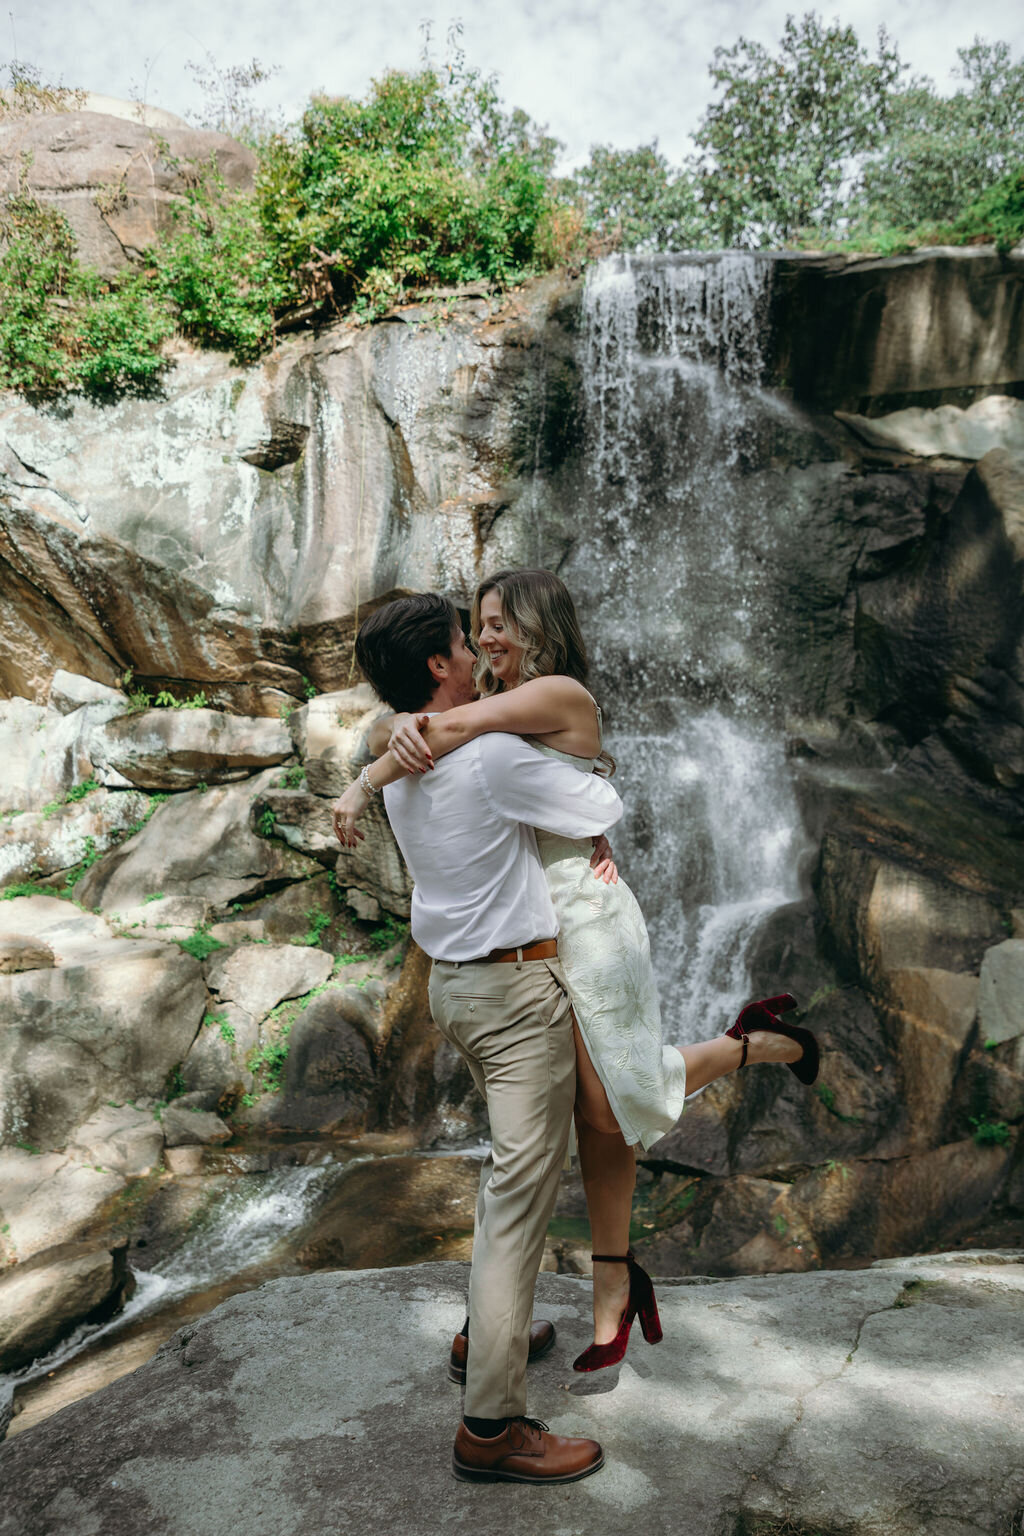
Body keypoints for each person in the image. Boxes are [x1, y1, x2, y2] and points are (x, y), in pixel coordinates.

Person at [334, 569, 818, 1376]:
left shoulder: (558, 695)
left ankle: (751, 1046)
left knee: (608, 1103)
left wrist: (373, 765)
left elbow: (450, 731)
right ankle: (597, 1288)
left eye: (500, 623)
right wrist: (385, 746)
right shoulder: (476, 712)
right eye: (476, 628)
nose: (486, 638)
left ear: (540, 624)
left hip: (585, 921)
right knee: (590, 1116)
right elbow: (432, 728)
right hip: (530, 930)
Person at [346, 590, 623, 1486]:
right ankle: (493, 1428)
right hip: (513, 993)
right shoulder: (495, 757)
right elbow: (597, 805)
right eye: (466, 641)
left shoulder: (400, 752)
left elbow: (411, 743)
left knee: (508, 1172)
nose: (477, 650)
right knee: (518, 1196)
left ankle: (485, 1333)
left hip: (457, 991)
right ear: (439, 667)